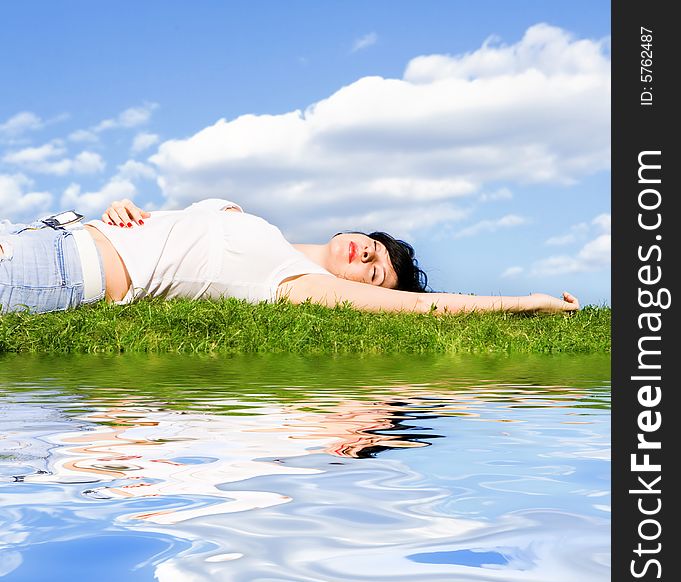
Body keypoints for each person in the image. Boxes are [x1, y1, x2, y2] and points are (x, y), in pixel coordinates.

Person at [0, 198, 579, 315]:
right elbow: (167, 227)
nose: (367, 255)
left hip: (60, 274)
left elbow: (429, 310)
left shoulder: (296, 282)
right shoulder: (252, 220)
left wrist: (530, 302)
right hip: (52, 231)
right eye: (374, 247)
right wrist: (124, 206)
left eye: (374, 272)